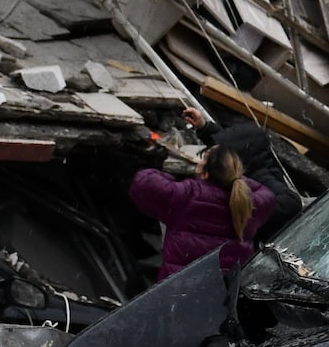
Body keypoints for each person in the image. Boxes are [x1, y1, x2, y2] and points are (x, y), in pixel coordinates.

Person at [130, 144, 276, 281]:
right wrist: (233, 178)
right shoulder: (249, 204)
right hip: (223, 296)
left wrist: (170, 171)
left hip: (177, 291)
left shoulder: (188, 194)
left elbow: (143, 182)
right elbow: (267, 194)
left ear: (205, 173)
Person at [181, 107, 304, 235]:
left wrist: (243, 207)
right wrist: (204, 127)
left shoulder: (263, 178)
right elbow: (230, 145)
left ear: (237, 160)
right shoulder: (245, 162)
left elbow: (292, 203)